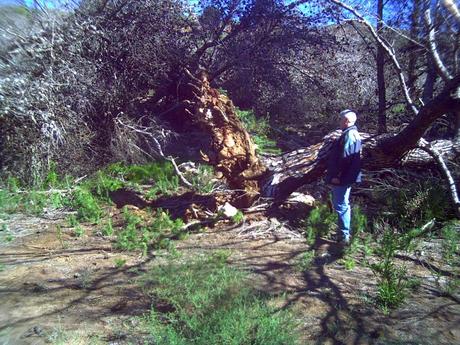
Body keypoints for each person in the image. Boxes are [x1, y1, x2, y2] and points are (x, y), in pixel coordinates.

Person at [325, 109, 362, 244]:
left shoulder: (350, 135)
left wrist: (338, 176)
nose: (339, 122)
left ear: (346, 121)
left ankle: (343, 237)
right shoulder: (352, 134)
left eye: (341, 120)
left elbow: (346, 158)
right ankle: (343, 235)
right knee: (343, 204)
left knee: (341, 205)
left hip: (342, 178)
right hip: (347, 177)